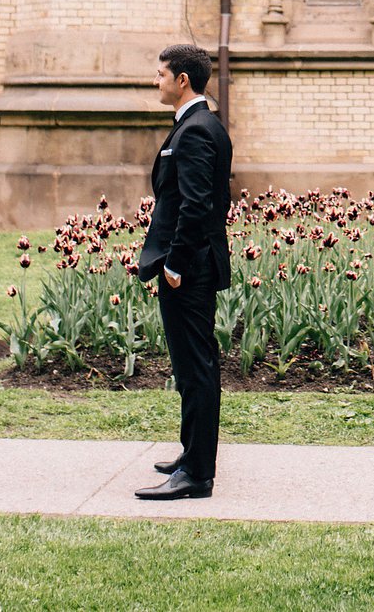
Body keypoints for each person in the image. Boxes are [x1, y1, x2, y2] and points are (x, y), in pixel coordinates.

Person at [133, 42, 233, 500]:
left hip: (187, 270)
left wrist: (173, 264)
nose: (155, 81)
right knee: (193, 366)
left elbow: (196, 206)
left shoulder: (194, 131)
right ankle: (192, 454)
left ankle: (196, 473)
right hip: (194, 266)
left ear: (182, 81)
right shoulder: (203, 124)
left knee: (195, 368)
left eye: (159, 75)